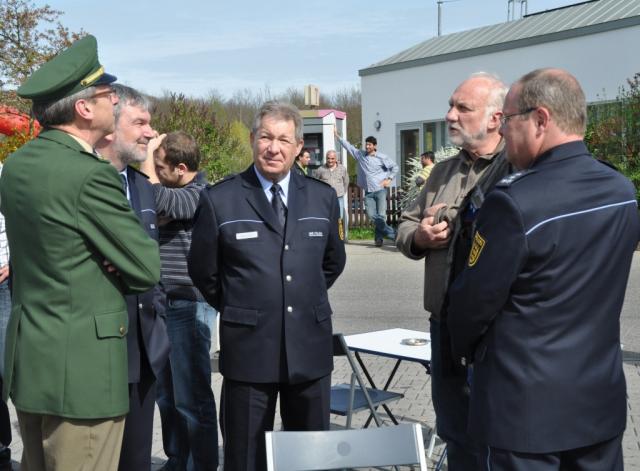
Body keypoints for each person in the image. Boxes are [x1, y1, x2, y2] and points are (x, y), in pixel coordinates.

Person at [448, 68, 639, 471]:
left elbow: (472, 305)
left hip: (523, 416)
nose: (503, 131)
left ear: (540, 119)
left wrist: (460, 352)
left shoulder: (513, 202)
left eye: (509, 119)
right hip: (598, 405)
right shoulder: (620, 191)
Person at [0, 35, 161, 471]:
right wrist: (112, 258)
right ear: (84, 108)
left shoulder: (18, 166)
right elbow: (146, 267)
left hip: (34, 364)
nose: (114, 101)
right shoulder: (90, 175)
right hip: (84, 377)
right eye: (108, 94)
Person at [188, 101, 346, 471]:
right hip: (249, 350)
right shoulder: (220, 199)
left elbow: (332, 262)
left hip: (309, 348)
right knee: (245, 457)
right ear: (252, 139)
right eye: (266, 137)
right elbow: (204, 271)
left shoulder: (322, 196)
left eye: (283, 140)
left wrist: (297, 296)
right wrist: (245, 305)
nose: (273, 148)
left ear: (298, 147)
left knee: (311, 459)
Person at [395, 72, 509, 470]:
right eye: (450, 106)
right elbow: (405, 225)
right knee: (454, 429)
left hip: (496, 332)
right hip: (443, 326)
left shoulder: (516, 168)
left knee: (498, 434)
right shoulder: (441, 173)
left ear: (495, 118)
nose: (450, 116)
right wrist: (420, 237)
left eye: (463, 108)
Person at [95, 84, 170, 471]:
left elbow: (151, 259)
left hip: (143, 351)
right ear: (110, 125)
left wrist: (158, 313)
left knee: (136, 461)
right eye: (140, 123)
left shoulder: (142, 187)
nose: (150, 133)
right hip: (98, 354)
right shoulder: (84, 182)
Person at [140, 131, 219, 471]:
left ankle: (201, 464)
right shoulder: (174, 192)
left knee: (192, 396)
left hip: (189, 304)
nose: (155, 173)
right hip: (164, 302)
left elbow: (153, 199)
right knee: (167, 395)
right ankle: (177, 459)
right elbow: (148, 210)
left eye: (160, 167)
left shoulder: (200, 194)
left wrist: (147, 156)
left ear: (181, 168)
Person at [334, 128, 397, 247]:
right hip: (368, 192)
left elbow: (395, 167)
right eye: (366, 144)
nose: (367, 146)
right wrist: (338, 137)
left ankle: (378, 239)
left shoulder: (382, 157)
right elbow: (349, 147)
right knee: (372, 216)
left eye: (369, 145)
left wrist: (389, 179)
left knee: (381, 216)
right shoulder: (360, 155)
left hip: (380, 191)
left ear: (375, 146)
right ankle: (394, 234)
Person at [0, 164, 10, 471]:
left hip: (3, 284)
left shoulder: (4, 174)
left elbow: (19, 219)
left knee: (2, 367)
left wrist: (14, 262)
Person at [313, 149, 349, 221]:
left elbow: (346, 182)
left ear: (336, 159)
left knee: (339, 217)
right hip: (325, 198)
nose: (330, 160)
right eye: (328, 158)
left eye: (332, 158)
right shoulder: (320, 169)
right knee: (326, 217)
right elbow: (315, 182)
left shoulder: (342, 169)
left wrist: (342, 192)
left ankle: (338, 228)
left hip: (338, 197)